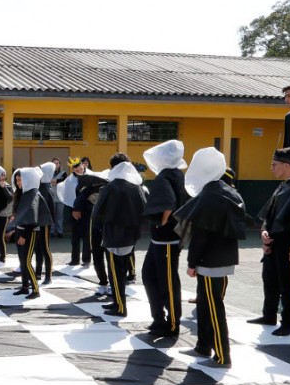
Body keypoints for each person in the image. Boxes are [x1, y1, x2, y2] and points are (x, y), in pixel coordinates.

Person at [175, 148, 246, 369]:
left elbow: (200, 234)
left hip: (209, 261)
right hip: (223, 258)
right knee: (207, 305)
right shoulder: (229, 191)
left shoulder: (208, 195)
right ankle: (203, 346)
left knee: (214, 308)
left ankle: (223, 356)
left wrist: (191, 263)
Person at [251, 147, 290, 336]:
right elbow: (268, 215)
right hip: (273, 243)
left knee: (287, 283)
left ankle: (288, 323)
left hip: (286, 244)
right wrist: (264, 232)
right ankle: (269, 314)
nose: (271, 168)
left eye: (275, 165)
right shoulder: (282, 186)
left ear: (287, 165)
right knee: (269, 280)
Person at [141, 140, 189, 337]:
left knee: (166, 280)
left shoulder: (164, 177)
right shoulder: (178, 174)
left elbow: (168, 202)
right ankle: (160, 319)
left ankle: (171, 323)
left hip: (166, 238)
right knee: (152, 275)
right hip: (165, 239)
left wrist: (163, 220)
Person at [91, 153, 147, 317]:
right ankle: (117, 302)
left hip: (114, 234)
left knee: (115, 272)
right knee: (121, 270)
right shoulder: (136, 186)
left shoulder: (111, 186)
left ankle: (120, 306)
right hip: (131, 234)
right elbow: (144, 209)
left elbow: (97, 212)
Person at [11, 167, 50, 299]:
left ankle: (36, 289)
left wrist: (24, 236)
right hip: (20, 230)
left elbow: (33, 220)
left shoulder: (33, 195)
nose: (18, 183)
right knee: (22, 261)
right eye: (16, 180)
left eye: (20, 180)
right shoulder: (23, 193)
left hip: (30, 232)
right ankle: (25, 287)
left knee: (27, 261)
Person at [74, 166, 110, 293]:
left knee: (101, 253)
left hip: (103, 224)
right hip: (99, 223)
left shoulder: (108, 188)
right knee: (101, 253)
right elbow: (80, 199)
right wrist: (77, 208)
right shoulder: (93, 188)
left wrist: (77, 209)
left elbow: (79, 199)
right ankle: (105, 281)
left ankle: (105, 281)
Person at [61, 158, 89, 266]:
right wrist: (74, 210)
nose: (79, 170)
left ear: (83, 166)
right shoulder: (69, 180)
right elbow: (68, 197)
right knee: (75, 236)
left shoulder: (90, 176)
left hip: (88, 210)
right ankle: (75, 259)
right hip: (74, 211)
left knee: (87, 235)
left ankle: (86, 259)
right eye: (76, 169)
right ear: (73, 169)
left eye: (80, 168)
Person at [35, 162, 57, 285]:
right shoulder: (42, 186)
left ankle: (48, 275)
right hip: (39, 221)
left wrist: (50, 221)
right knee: (38, 247)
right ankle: (38, 272)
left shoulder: (46, 188)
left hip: (45, 222)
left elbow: (51, 208)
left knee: (45, 248)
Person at [50, 158, 67, 237]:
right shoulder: (48, 173)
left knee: (59, 216)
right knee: (52, 215)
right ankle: (52, 231)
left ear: (60, 164)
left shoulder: (64, 173)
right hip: (51, 197)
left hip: (60, 197)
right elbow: (48, 181)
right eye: (54, 163)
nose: (56, 165)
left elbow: (63, 180)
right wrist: (56, 181)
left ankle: (60, 231)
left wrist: (54, 181)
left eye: (57, 163)